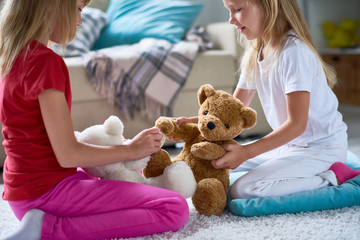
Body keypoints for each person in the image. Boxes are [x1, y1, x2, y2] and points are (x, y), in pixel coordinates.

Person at [0, 0, 189, 239]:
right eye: (78, 9)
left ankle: (46, 222)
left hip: (24, 192)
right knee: (174, 207)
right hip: (47, 193)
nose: (79, 21)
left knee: (127, 180)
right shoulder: (45, 62)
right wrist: (130, 150)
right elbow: (67, 154)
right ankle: (47, 229)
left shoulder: (13, 57)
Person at [173, 0, 360, 200]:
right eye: (229, 11)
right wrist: (195, 123)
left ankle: (332, 177)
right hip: (289, 146)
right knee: (211, 161)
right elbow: (235, 109)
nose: (231, 21)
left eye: (237, 10)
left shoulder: (294, 52)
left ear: (270, 6)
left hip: (321, 148)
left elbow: (297, 125)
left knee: (243, 190)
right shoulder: (256, 52)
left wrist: (246, 152)